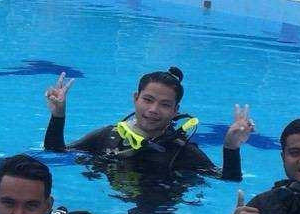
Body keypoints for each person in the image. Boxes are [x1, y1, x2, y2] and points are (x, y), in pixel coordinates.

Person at [43, 67, 251, 180]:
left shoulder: (181, 151)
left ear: (175, 111)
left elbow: (229, 178)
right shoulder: (109, 136)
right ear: (136, 98)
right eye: (148, 100)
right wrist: (58, 115)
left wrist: (231, 147)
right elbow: (56, 151)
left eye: (165, 104)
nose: (153, 110)